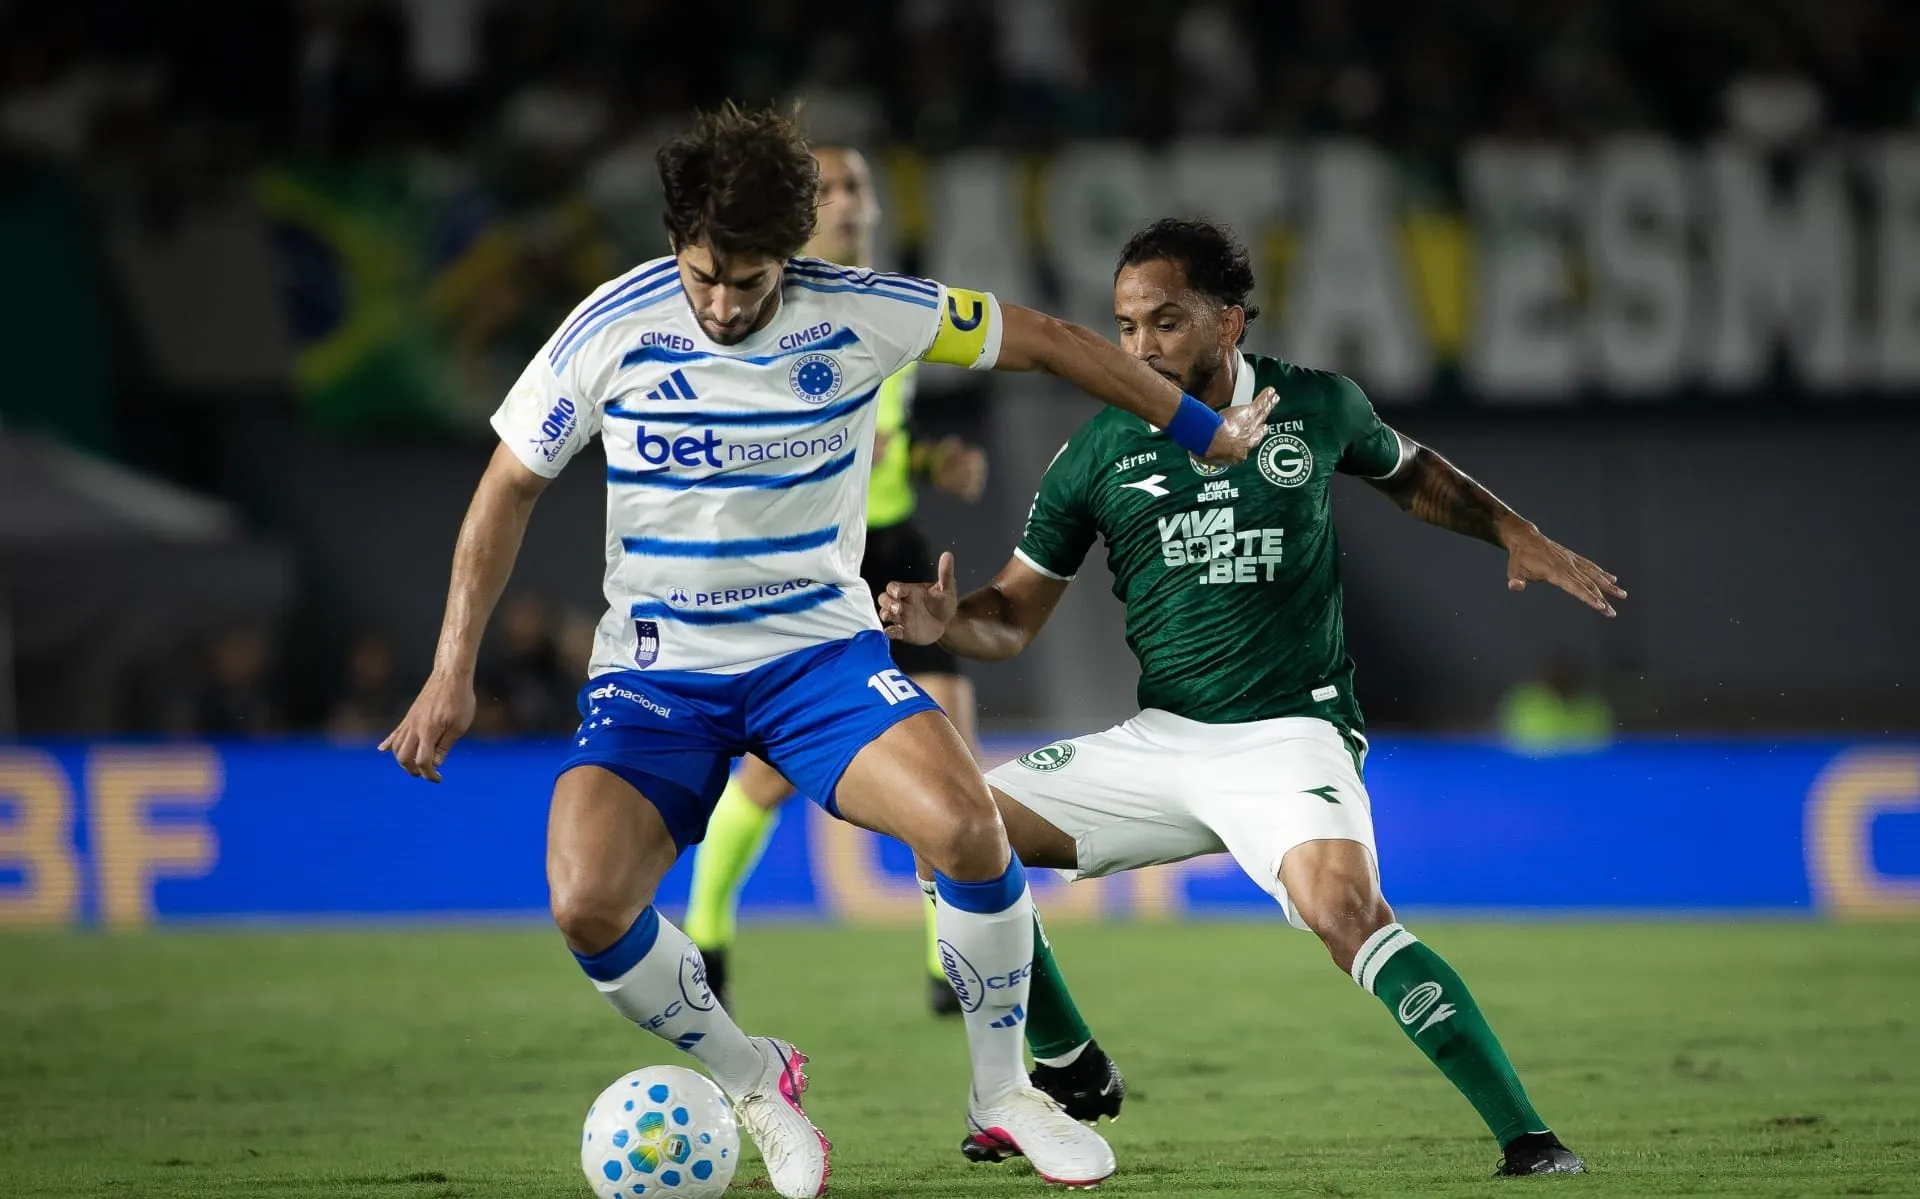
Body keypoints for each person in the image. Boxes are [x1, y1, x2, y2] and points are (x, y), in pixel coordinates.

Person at [379, 108, 1271, 1198]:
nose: (723, 303)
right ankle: (754, 1076)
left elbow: (1051, 340)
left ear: (791, 257)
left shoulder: (868, 312)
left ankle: (1003, 1093)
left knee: (967, 826)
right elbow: (506, 487)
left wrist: (1201, 428)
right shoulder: (607, 326)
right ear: (677, 244)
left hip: (817, 657)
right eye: (705, 274)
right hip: (658, 675)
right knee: (586, 900)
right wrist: (449, 666)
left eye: (749, 280)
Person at [879, 217, 1624, 1178]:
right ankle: (1065, 1058)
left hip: (1289, 736)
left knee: (1346, 912)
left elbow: (1412, 474)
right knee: (948, 827)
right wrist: (949, 623)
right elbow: (1011, 618)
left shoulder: (1317, 406)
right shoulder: (1099, 451)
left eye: (1166, 321)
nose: (1140, 347)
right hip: (1164, 738)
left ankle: (1528, 1137)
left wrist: (1512, 529)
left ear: (1229, 320)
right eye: (1125, 326)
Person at [682, 143, 991, 1020]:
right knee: (778, 773)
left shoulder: (890, 307)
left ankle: (949, 963)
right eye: (833, 190)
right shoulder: (772, 307)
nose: (852, 201)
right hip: (819, 555)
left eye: (860, 185)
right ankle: (705, 926)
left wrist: (933, 458)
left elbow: (889, 441)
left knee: (950, 748)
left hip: (891, 540)